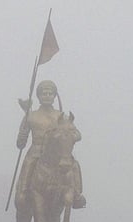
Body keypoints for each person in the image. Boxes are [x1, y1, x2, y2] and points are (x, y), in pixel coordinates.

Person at [14, 80, 85, 210]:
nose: (47, 96)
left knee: (74, 165)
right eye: (43, 93)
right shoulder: (31, 116)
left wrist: (70, 137)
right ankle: (22, 194)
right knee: (28, 165)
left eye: (50, 93)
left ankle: (76, 195)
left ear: (54, 96)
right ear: (39, 96)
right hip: (36, 151)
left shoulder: (61, 116)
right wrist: (22, 137)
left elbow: (77, 133)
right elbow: (20, 144)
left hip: (57, 154)